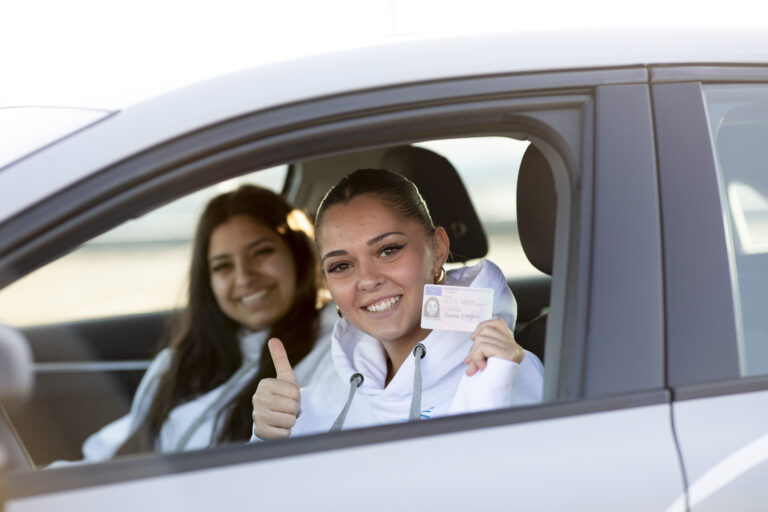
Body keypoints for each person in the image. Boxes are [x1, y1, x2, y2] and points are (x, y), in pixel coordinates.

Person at [251, 169, 543, 440]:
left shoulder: (503, 369)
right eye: (341, 265)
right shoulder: (319, 399)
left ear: (438, 248)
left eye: (388, 250)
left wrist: (488, 395)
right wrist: (266, 438)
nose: (367, 280)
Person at [67, 185, 335, 462]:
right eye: (223, 266)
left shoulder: (337, 352)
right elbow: (116, 452)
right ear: (207, 282)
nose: (244, 277)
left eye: (261, 252)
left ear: (297, 256)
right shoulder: (177, 363)